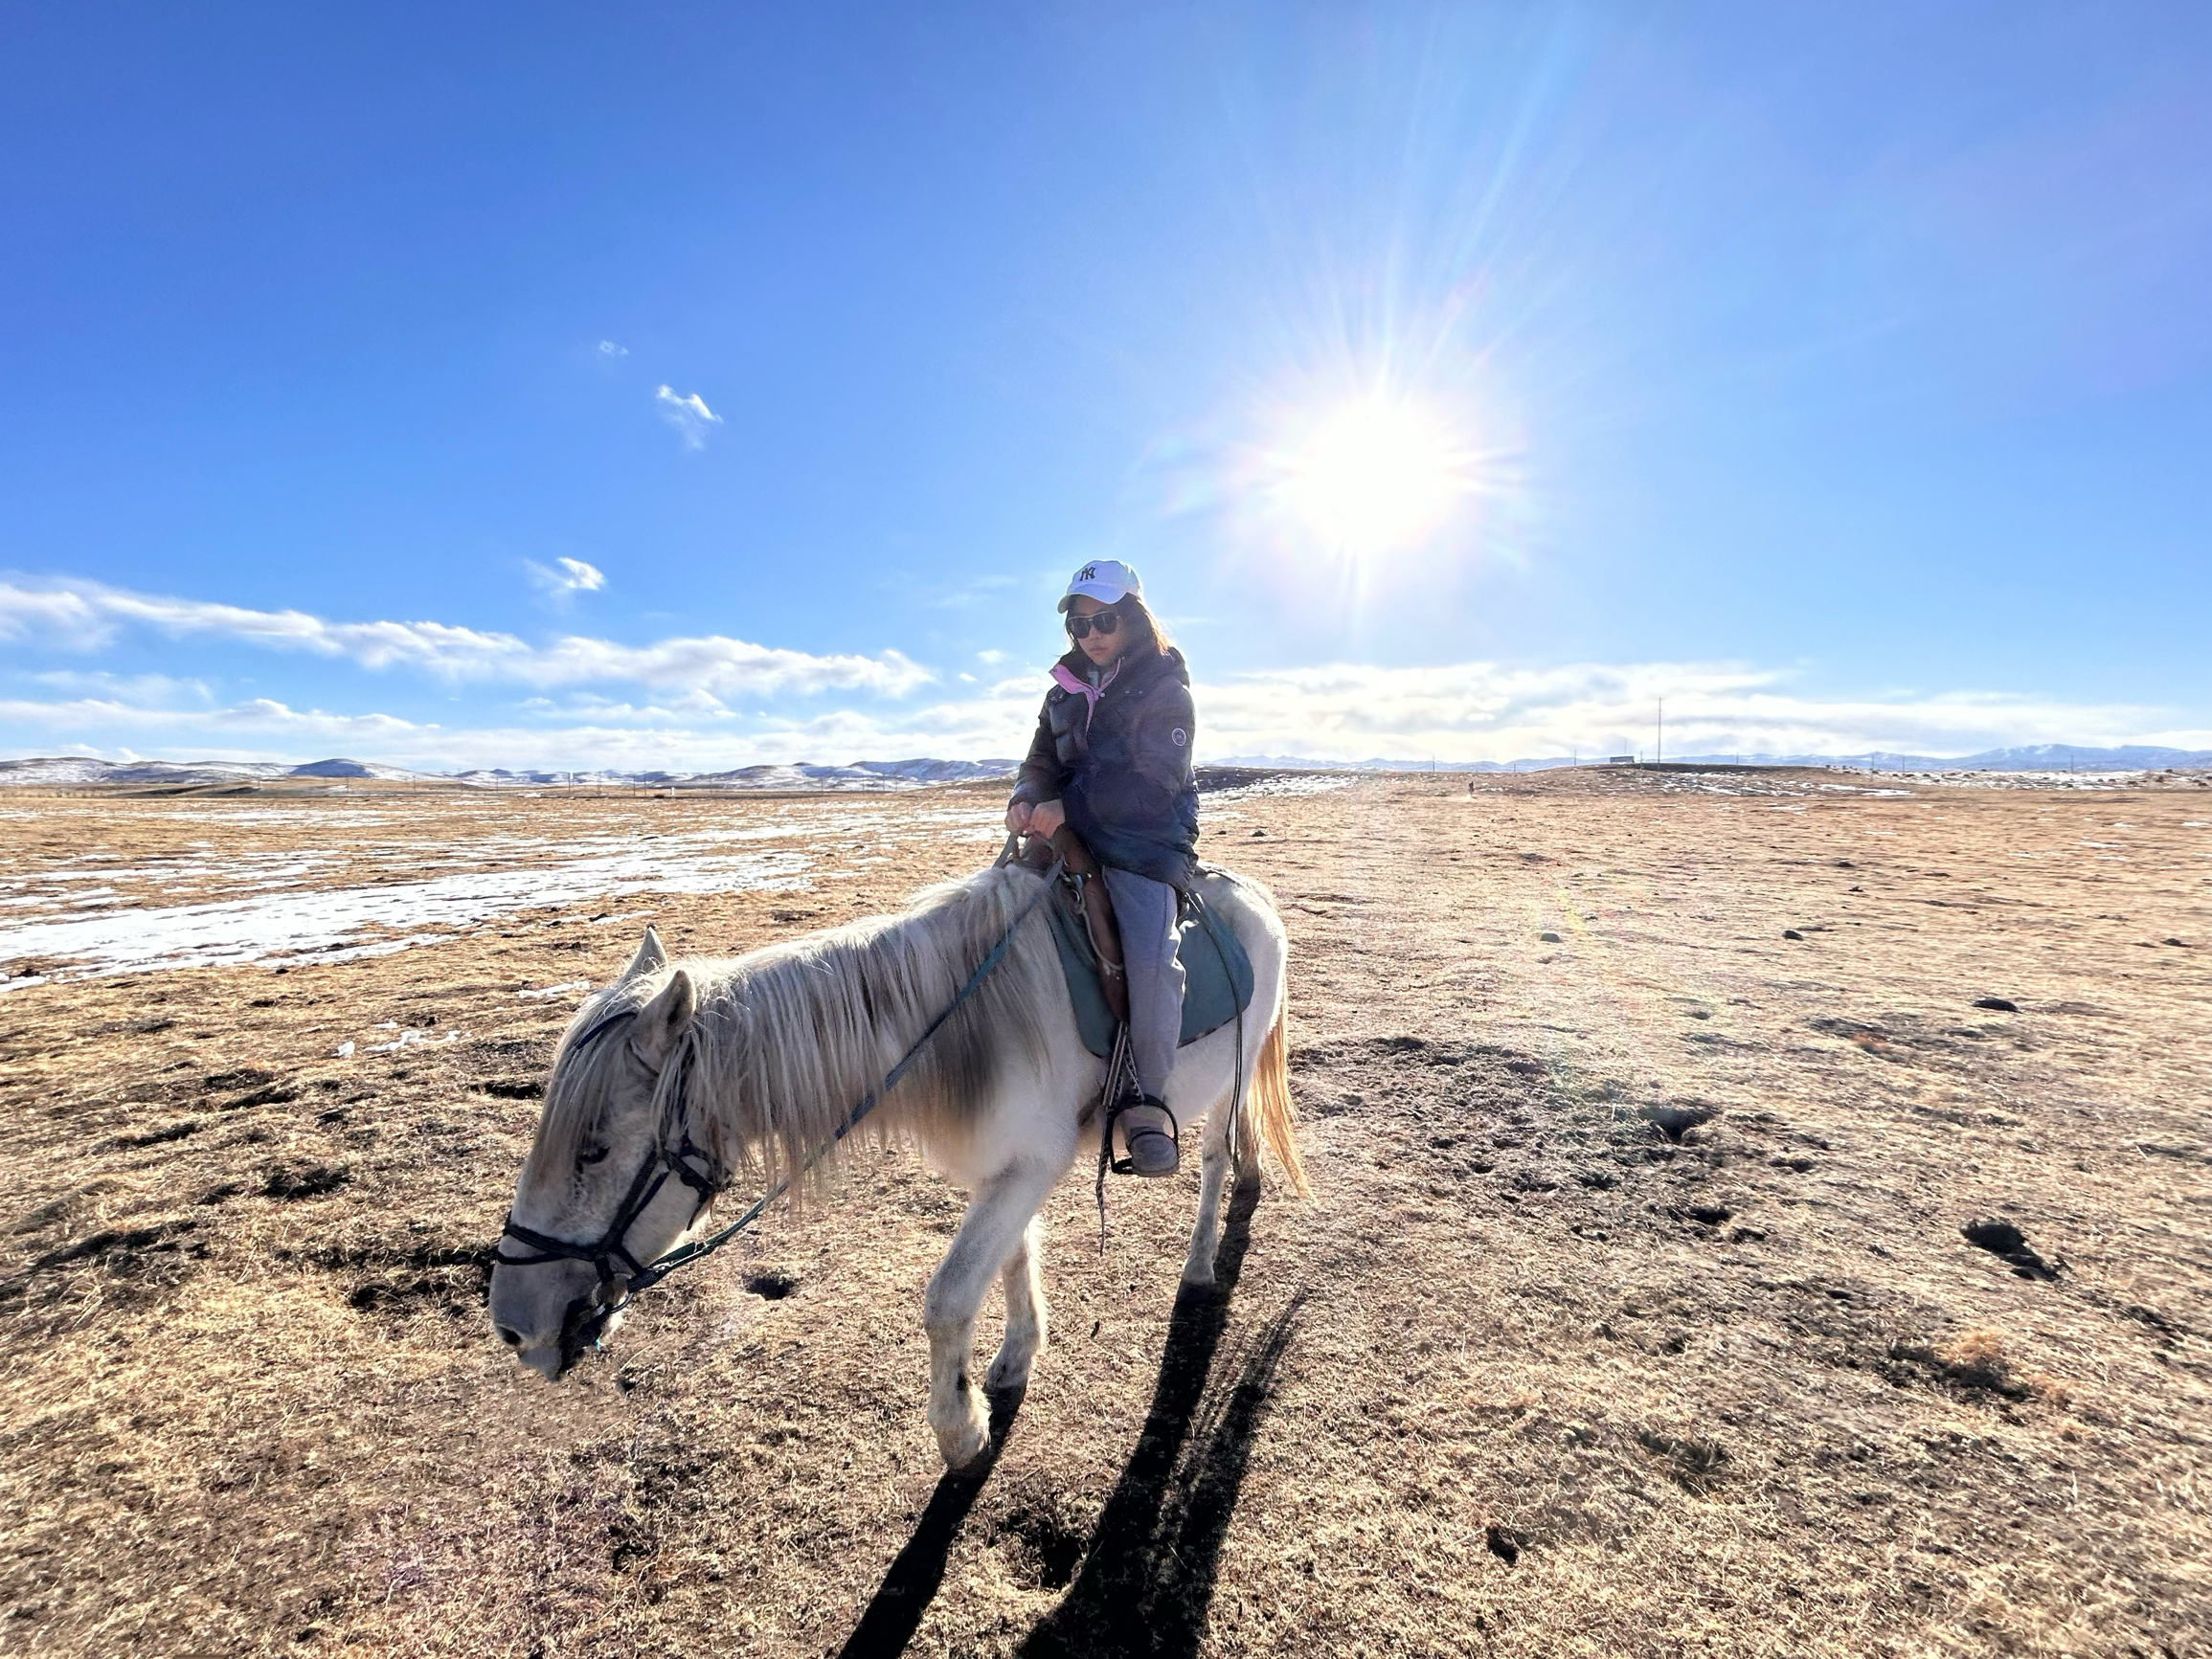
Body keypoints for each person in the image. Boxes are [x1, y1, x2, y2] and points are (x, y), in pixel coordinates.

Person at [1004, 560, 1198, 1177]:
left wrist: (1070, 808)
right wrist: (1024, 797)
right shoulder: (1062, 692)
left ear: (1134, 619)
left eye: (1104, 619)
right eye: (1080, 623)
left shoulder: (1166, 690)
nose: (1091, 632)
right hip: (1064, 837)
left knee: (1148, 960)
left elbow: (1154, 782)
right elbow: (1039, 761)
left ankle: (1146, 1102)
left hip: (1142, 845)